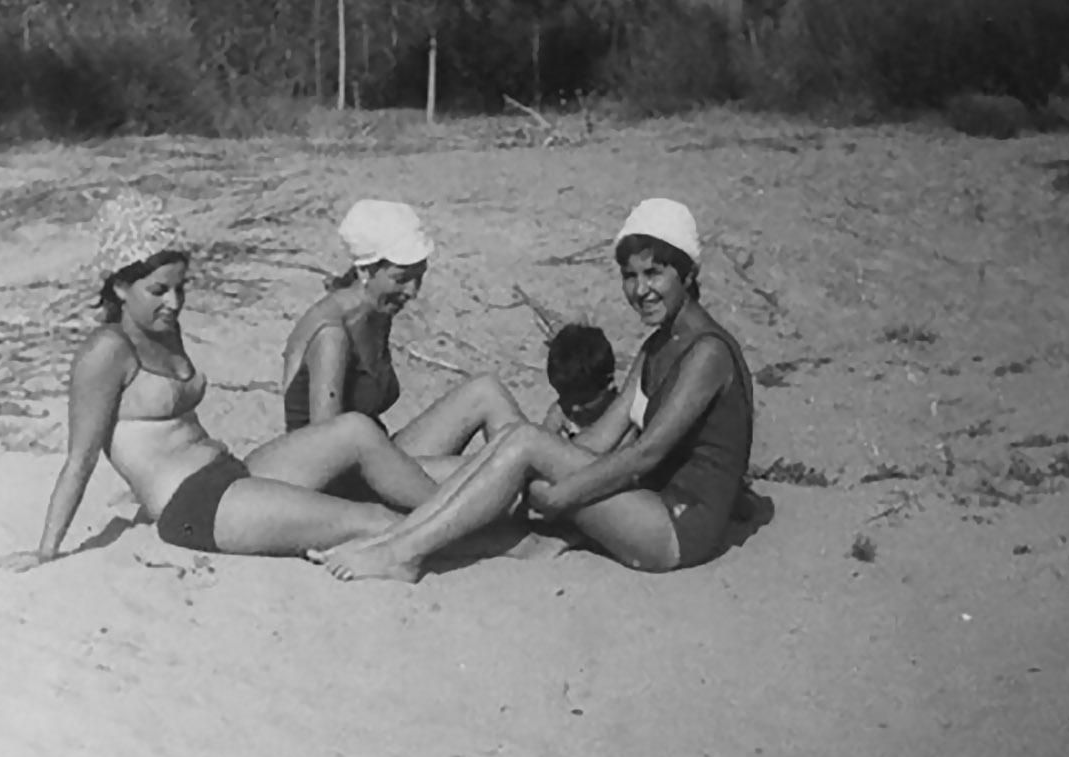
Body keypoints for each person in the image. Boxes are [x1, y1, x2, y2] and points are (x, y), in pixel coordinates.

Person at [313, 198, 755, 582]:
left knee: (523, 445)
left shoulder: (707, 353)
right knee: (516, 441)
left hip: (676, 528)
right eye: (630, 276)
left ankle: (402, 553)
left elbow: (646, 454)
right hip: (646, 504)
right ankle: (392, 537)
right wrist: (522, 463)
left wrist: (563, 494)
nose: (641, 290)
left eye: (654, 274)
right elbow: (601, 439)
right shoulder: (658, 346)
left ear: (688, 273)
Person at [0, 191, 442, 569]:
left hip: (231, 472)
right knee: (375, 521)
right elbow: (80, 459)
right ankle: (460, 529)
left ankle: (459, 508)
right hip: (193, 506)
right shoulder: (105, 351)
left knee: (355, 431)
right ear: (119, 288)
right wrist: (46, 550)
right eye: (158, 291)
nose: (174, 303)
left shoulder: (163, 328)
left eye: (180, 288)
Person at [281, 199, 527, 480]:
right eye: (401, 279)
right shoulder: (332, 336)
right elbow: (325, 452)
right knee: (501, 466)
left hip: (373, 458)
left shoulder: (377, 313)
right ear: (365, 271)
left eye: (418, 277)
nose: (412, 292)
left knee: (487, 391)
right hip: (335, 480)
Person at [540, 322, 619, 439]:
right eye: (566, 398)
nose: (574, 408)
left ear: (609, 384)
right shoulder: (561, 413)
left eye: (583, 402)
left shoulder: (622, 418)